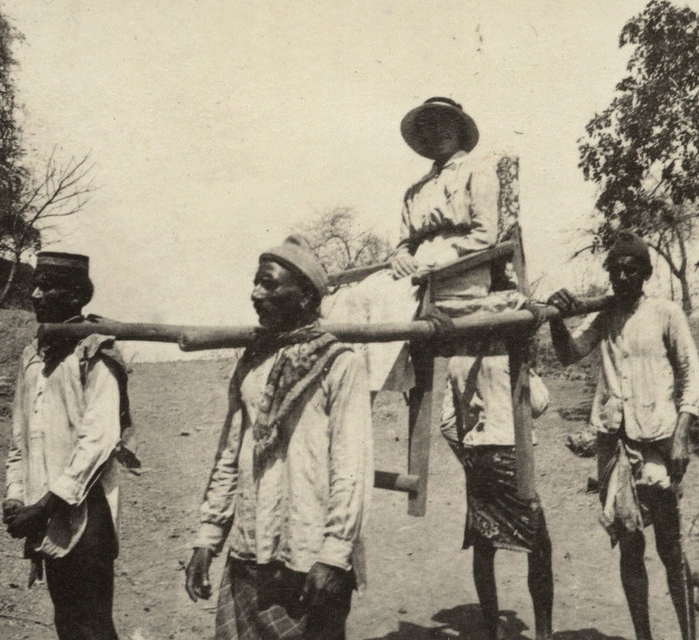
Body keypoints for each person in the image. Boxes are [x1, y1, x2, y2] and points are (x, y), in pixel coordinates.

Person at [185, 235, 374, 640]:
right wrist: (208, 538)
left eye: (269, 284)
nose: (255, 294)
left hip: (309, 557)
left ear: (305, 296)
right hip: (249, 551)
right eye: (256, 283)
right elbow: (230, 455)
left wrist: (334, 555)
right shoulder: (252, 362)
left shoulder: (341, 364)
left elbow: (352, 470)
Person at [546, 232, 699, 640]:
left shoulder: (666, 313)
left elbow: (692, 378)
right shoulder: (605, 315)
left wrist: (682, 434)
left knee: (670, 546)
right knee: (630, 545)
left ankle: (689, 635)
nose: (621, 277)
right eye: (615, 270)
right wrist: (556, 319)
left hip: (657, 442)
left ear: (646, 273)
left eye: (630, 270)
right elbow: (569, 353)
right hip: (615, 445)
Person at [322, 96, 520, 391]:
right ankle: (349, 388)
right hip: (415, 270)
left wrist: (442, 259)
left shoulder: (477, 171)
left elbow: (485, 234)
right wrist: (401, 257)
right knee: (351, 297)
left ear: (459, 129)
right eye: (429, 127)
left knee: (384, 297)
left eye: (445, 124)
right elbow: (404, 243)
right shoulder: (416, 189)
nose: (437, 133)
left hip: (461, 267)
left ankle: (371, 384)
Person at [3, 251, 137, 640]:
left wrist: (45, 505)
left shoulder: (97, 354)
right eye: (35, 286)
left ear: (77, 295)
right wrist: (15, 495)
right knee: (67, 621)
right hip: (44, 512)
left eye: (48, 287)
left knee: (91, 623)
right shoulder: (33, 356)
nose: (36, 295)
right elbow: (20, 437)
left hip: (86, 511)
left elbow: (99, 440)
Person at [440, 355, 553, 640]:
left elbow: (447, 424)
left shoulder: (456, 360)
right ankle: (544, 633)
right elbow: (539, 403)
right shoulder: (510, 357)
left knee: (484, 543)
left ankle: (492, 629)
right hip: (511, 456)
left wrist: (466, 455)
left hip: (478, 459)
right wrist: (530, 369)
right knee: (539, 545)